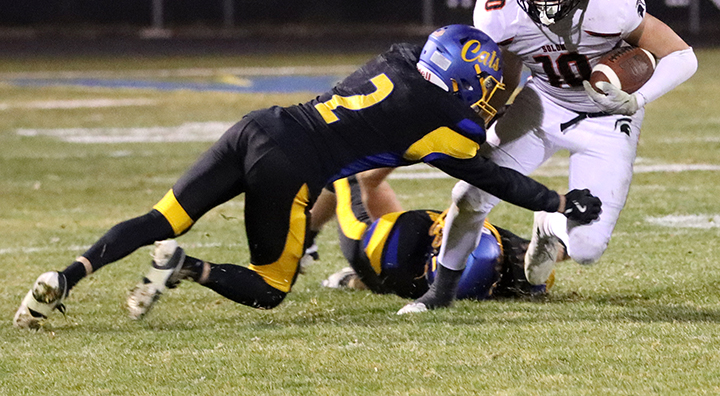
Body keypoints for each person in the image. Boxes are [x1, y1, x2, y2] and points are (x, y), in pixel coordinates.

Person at [13, 24, 602, 329]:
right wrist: (555, 197)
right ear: (457, 82)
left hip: (260, 124)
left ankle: (65, 278)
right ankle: (188, 267)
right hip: (292, 165)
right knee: (271, 288)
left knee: (161, 216)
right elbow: (492, 177)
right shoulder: (438, 123)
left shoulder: (397, 57)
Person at [398, 0, 698, 314]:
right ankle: (439, 294)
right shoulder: (497, 9)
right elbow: (505, 75)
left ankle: (548, 224)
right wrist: (481, 118)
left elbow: (682, 55)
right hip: (542, 106)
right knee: (469, 195)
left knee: (588, 249)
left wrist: (636, 100)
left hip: (609, 120)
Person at [320, 175, 551, 300]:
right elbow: (545, 258)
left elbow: (367, 185)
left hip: (372, 252)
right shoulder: (496, 262)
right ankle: (351, 279)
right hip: (405, 276)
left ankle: (310, 242)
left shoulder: (402, 251)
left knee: (346, 173)